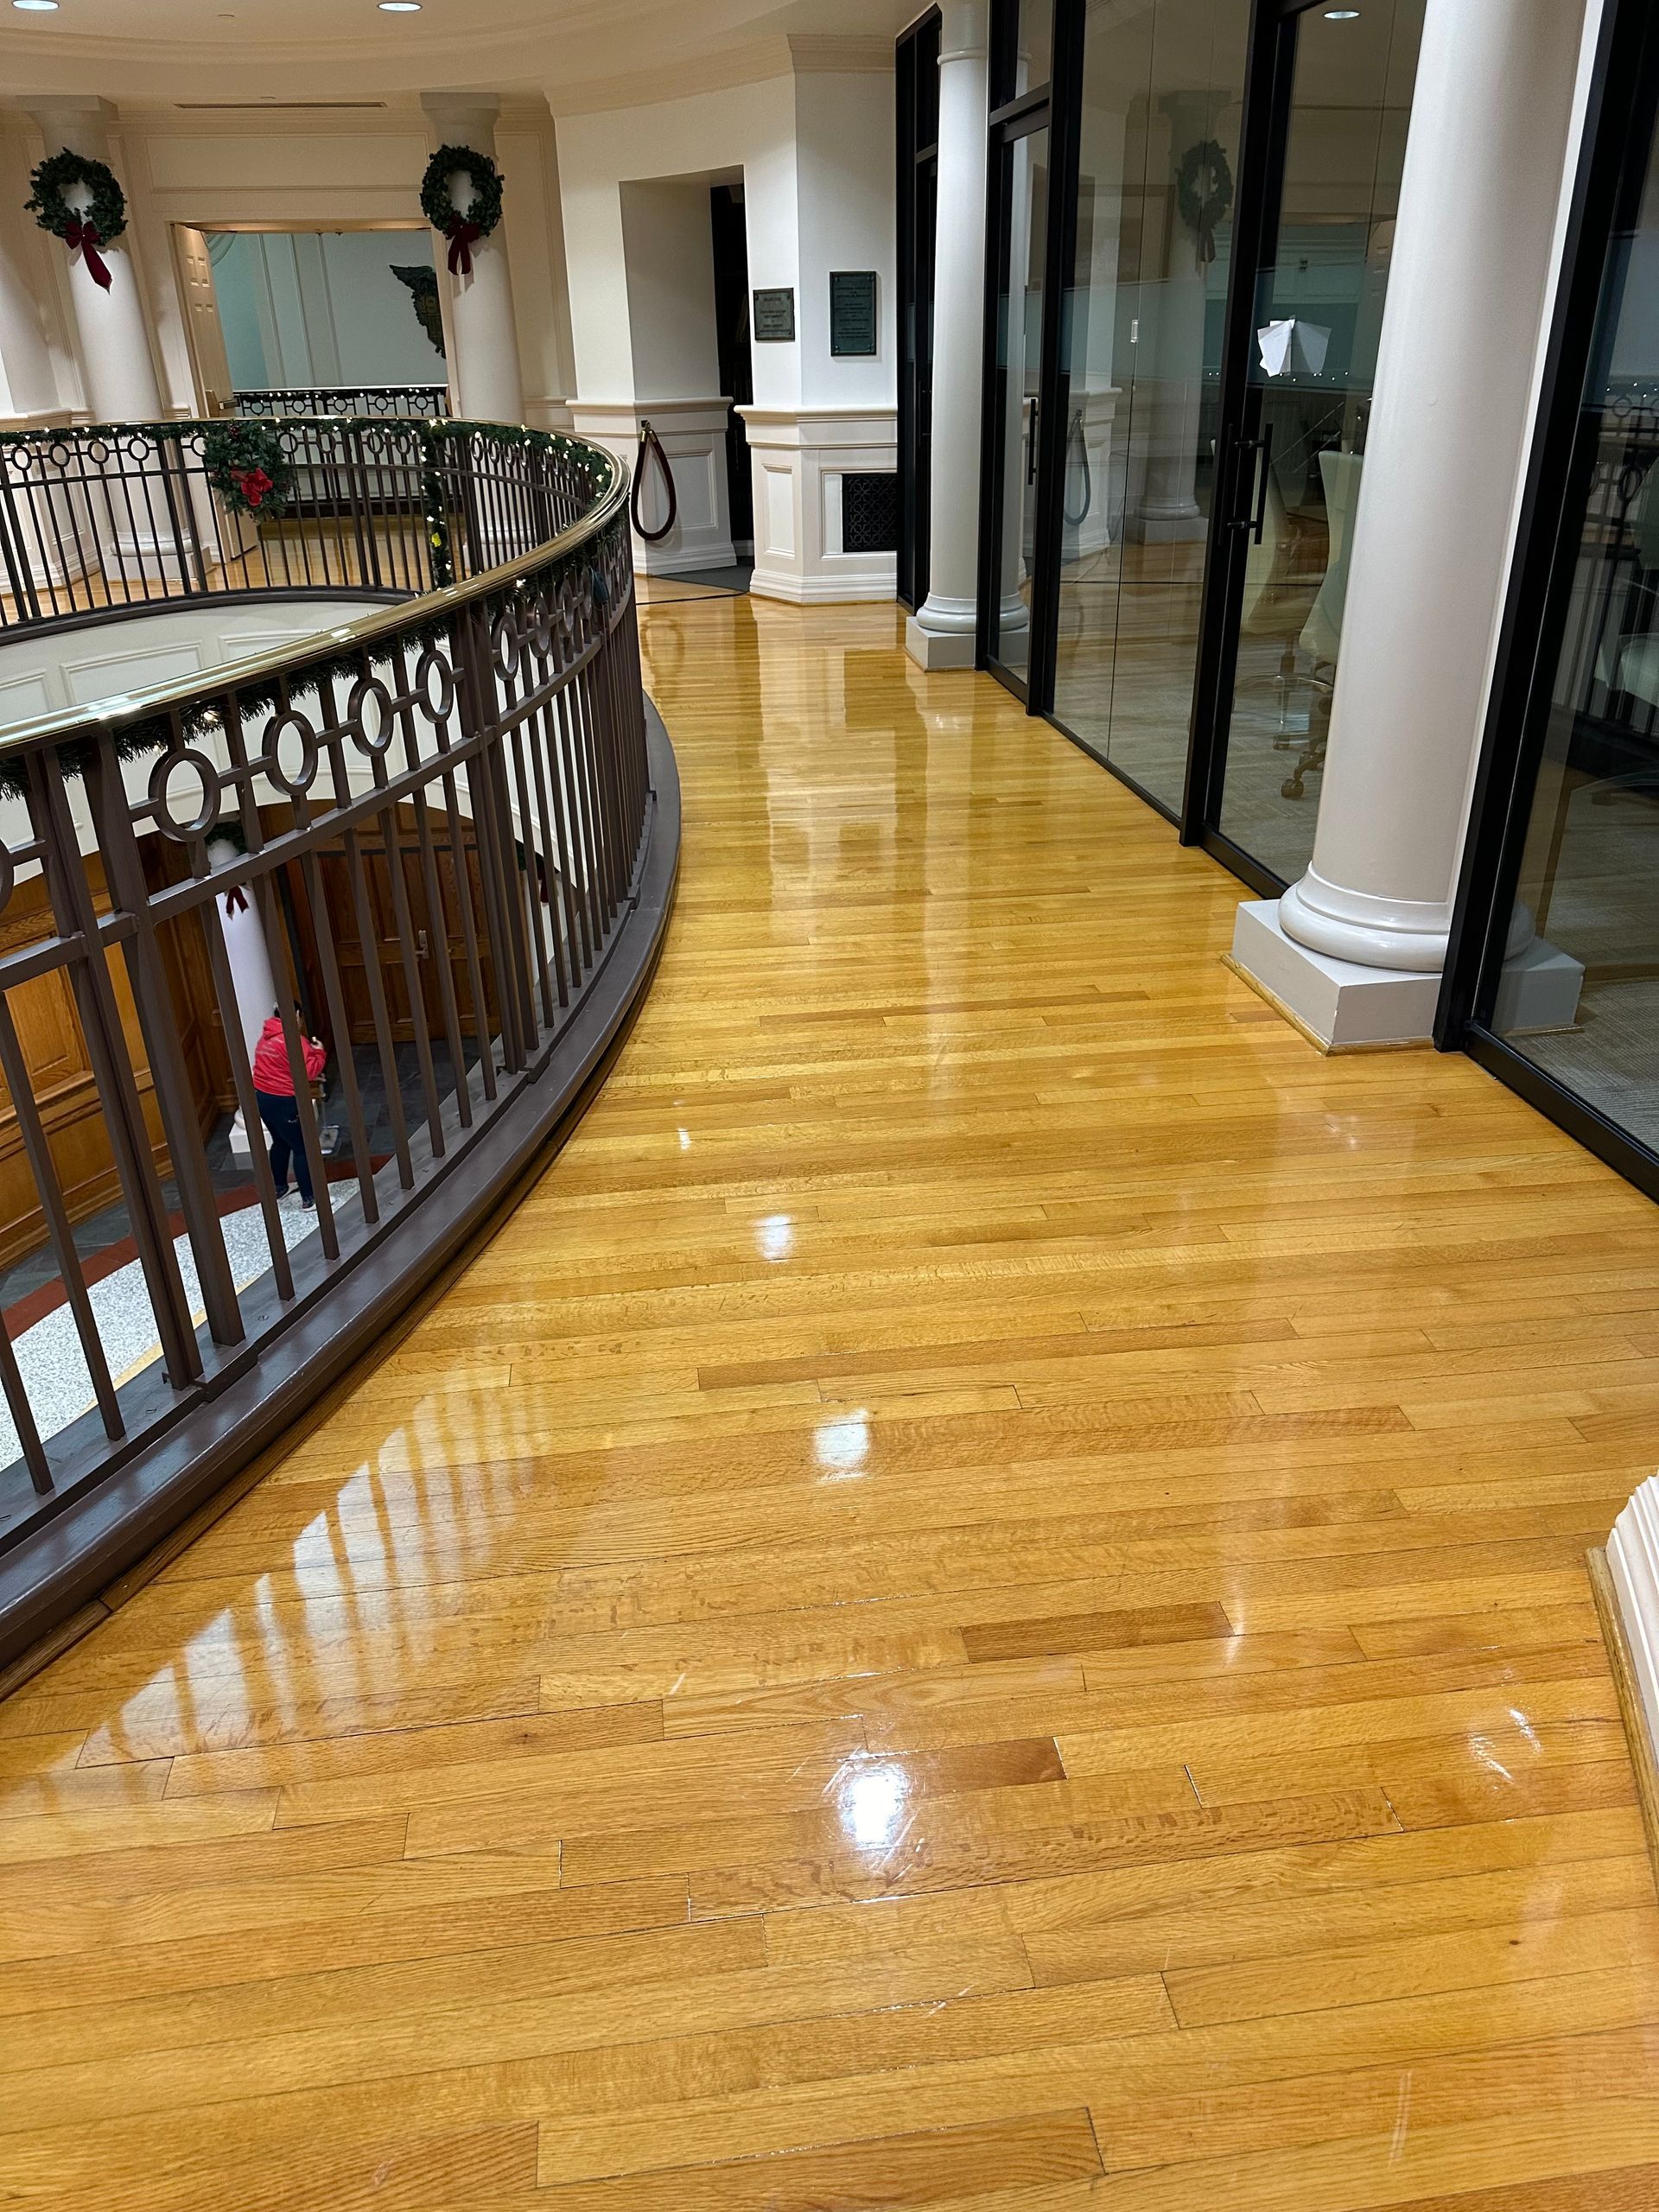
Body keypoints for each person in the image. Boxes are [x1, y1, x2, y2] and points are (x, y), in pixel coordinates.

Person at [251, 1006, 327, 1210]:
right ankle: (310, 1199)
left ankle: (279, 1188)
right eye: (301, 1017)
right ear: (296, 1015)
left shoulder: (266, 1037)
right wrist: (319, 1052)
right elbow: (309, 1071)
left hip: (261, 1098)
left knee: (280, 1142)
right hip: (283, 1101)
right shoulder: (293, 1040)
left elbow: (281, 1065)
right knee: (302, 1148)